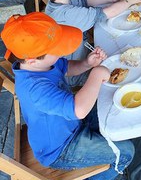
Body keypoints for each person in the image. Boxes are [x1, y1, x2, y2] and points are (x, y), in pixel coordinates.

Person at [0, 12, 134, 179]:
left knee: (112, 103)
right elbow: (79, 110)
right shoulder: (34, 89)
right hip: (60, 148)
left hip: (72, 123)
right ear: (33, 60)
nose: (62, 52)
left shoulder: (42, 64)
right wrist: (96, 73)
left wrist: (87, 64)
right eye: (57, 49)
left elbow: (67, 67)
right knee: (126, 152)